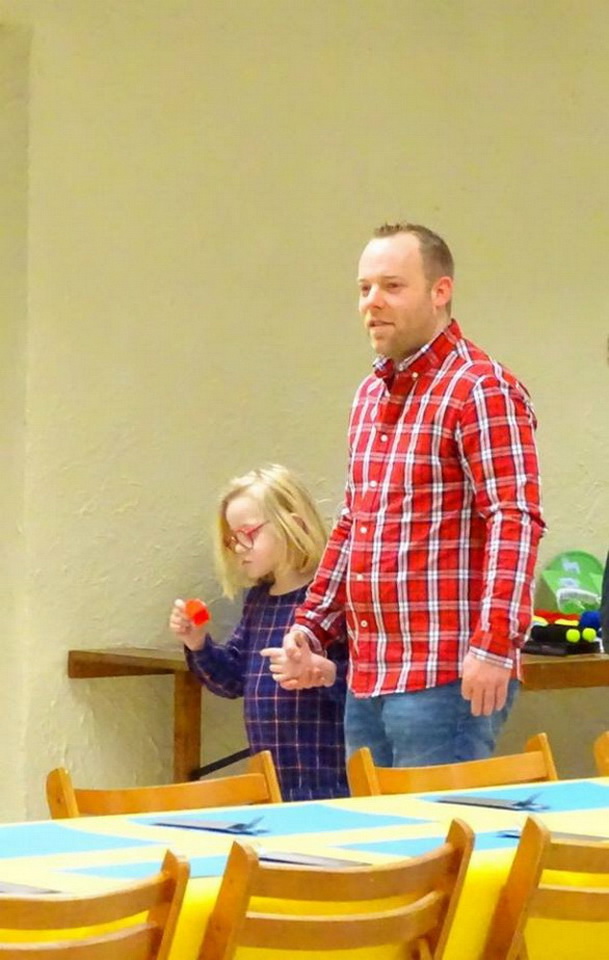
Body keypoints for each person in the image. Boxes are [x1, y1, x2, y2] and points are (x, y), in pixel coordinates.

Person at [264, 222, 545, 768]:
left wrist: (496, 644)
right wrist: (312, 627)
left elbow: (514, 519)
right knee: (375, 825)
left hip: (448, 674)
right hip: (369, 673)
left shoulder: (480, 388)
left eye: (392, 286)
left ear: (441, 292)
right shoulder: (370, 394)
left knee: (439, 824)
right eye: (364, 288)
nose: (372, 302)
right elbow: (355, 523)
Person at [169, 464, 348, 801]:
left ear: (294, 525)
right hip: (271, 787)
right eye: (232, 539)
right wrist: (198, 643)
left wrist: (325, 673)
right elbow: (232, 680)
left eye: (248, 533)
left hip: (332, 784)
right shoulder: (258, 602)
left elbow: (364, 689)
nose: (239, 548)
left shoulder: (333, 599)